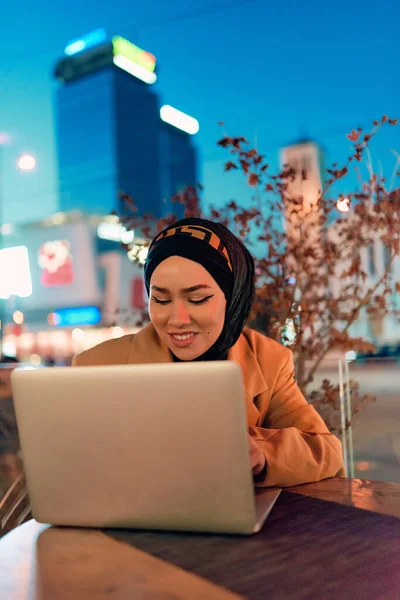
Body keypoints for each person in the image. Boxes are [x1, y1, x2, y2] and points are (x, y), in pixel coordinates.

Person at [73, 218, 344, 487]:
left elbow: (326, 451)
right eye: (161, 299)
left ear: (233, 297)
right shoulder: (97, 366)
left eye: (198, 299)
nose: (177, 319)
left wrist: (261, 454)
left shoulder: (267, 360)